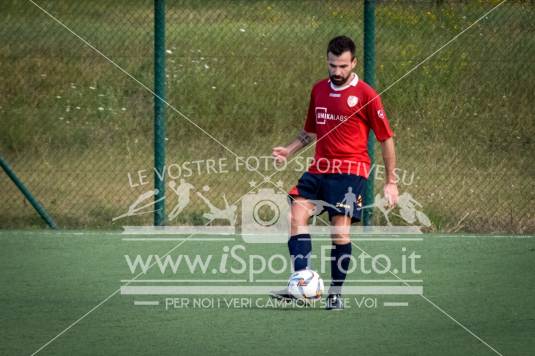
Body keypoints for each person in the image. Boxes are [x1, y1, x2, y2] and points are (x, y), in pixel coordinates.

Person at [270, 35, 399, 310]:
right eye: (332, 65)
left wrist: (391, 182)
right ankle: (302, 283)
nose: (337, 72)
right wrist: (289, 150)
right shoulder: (318, 90)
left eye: (343, 66)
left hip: (351, 172)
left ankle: (335, 294)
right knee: (296, 216)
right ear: (326, 62)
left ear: (353, 63)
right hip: (319, 168)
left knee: (338, 234)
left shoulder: (366, 95)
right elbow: (310, 131)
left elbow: (386, 138)